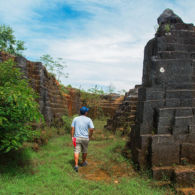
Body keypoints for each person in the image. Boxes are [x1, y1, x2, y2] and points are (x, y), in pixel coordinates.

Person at [71, 106, 94, 172]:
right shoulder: (89, 119)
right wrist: (90, 136)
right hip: (85, 138)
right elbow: (92, 129)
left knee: (76, 150)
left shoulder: (75, 118)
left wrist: (72, 137)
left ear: (80, 112)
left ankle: (76, 165)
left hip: (76, 138)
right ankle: (83, 162)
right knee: (84, 151)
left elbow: (72, 128)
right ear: (86, 112)